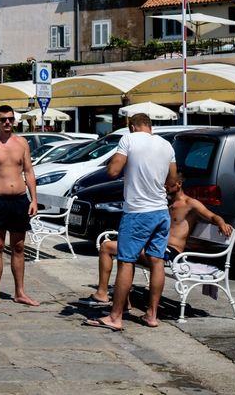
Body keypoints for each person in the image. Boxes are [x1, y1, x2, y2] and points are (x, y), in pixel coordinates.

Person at [82, 171, 234, 313]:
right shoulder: (165, 204)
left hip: (171, 253)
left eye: (167, 183)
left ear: (179, 183)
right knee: (114, 248)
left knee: (114, 249)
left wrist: (222, 223)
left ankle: (106, 295)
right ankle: (117, 298)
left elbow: (212, 216)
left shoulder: (190, 203)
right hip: (157, 248)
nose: (164, 186)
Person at [84, 113, 177, 332]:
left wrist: (120, 165)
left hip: (137, 212)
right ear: (150, 126)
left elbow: (113, 171)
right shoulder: (166, 145)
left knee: (126, 261)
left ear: (132, 126)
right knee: (156, 261)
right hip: (161, 211)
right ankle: (152, 315)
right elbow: (172, 182)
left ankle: (115, 316)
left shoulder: (128, 139)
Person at [0, 104, 39, 307]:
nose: (7, 122)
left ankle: (20, 292)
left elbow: (29, 172)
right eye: (3, 119)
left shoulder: (22, 143)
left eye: (10, 118)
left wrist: (34, 199)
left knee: (19, 247)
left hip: (20, 200)